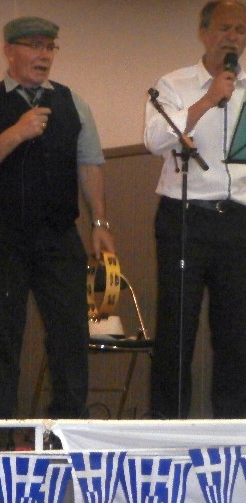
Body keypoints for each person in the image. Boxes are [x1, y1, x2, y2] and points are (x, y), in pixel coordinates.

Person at [0, 16, 115, 440]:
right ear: (10, 51)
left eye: (50, 47)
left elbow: (90, 163)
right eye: (34, 46)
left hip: (60, 235)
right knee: (4, 337)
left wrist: (99, 221)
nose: (43, 55)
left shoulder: (73, 102)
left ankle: (67, 432)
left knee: (70, 335)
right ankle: (3, 432)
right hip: (4, 235)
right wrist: (15, 133)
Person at [145, 0, 246, 419]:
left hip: (238, 220)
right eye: (225, 28)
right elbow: (155, 140)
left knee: (236, 334)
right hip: (184, 217)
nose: (233, 37)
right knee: (177, 328)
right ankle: (168, 427)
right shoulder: (174, 84)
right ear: (204, 33)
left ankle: (234, 433)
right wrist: (208, 99)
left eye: (241, 30)